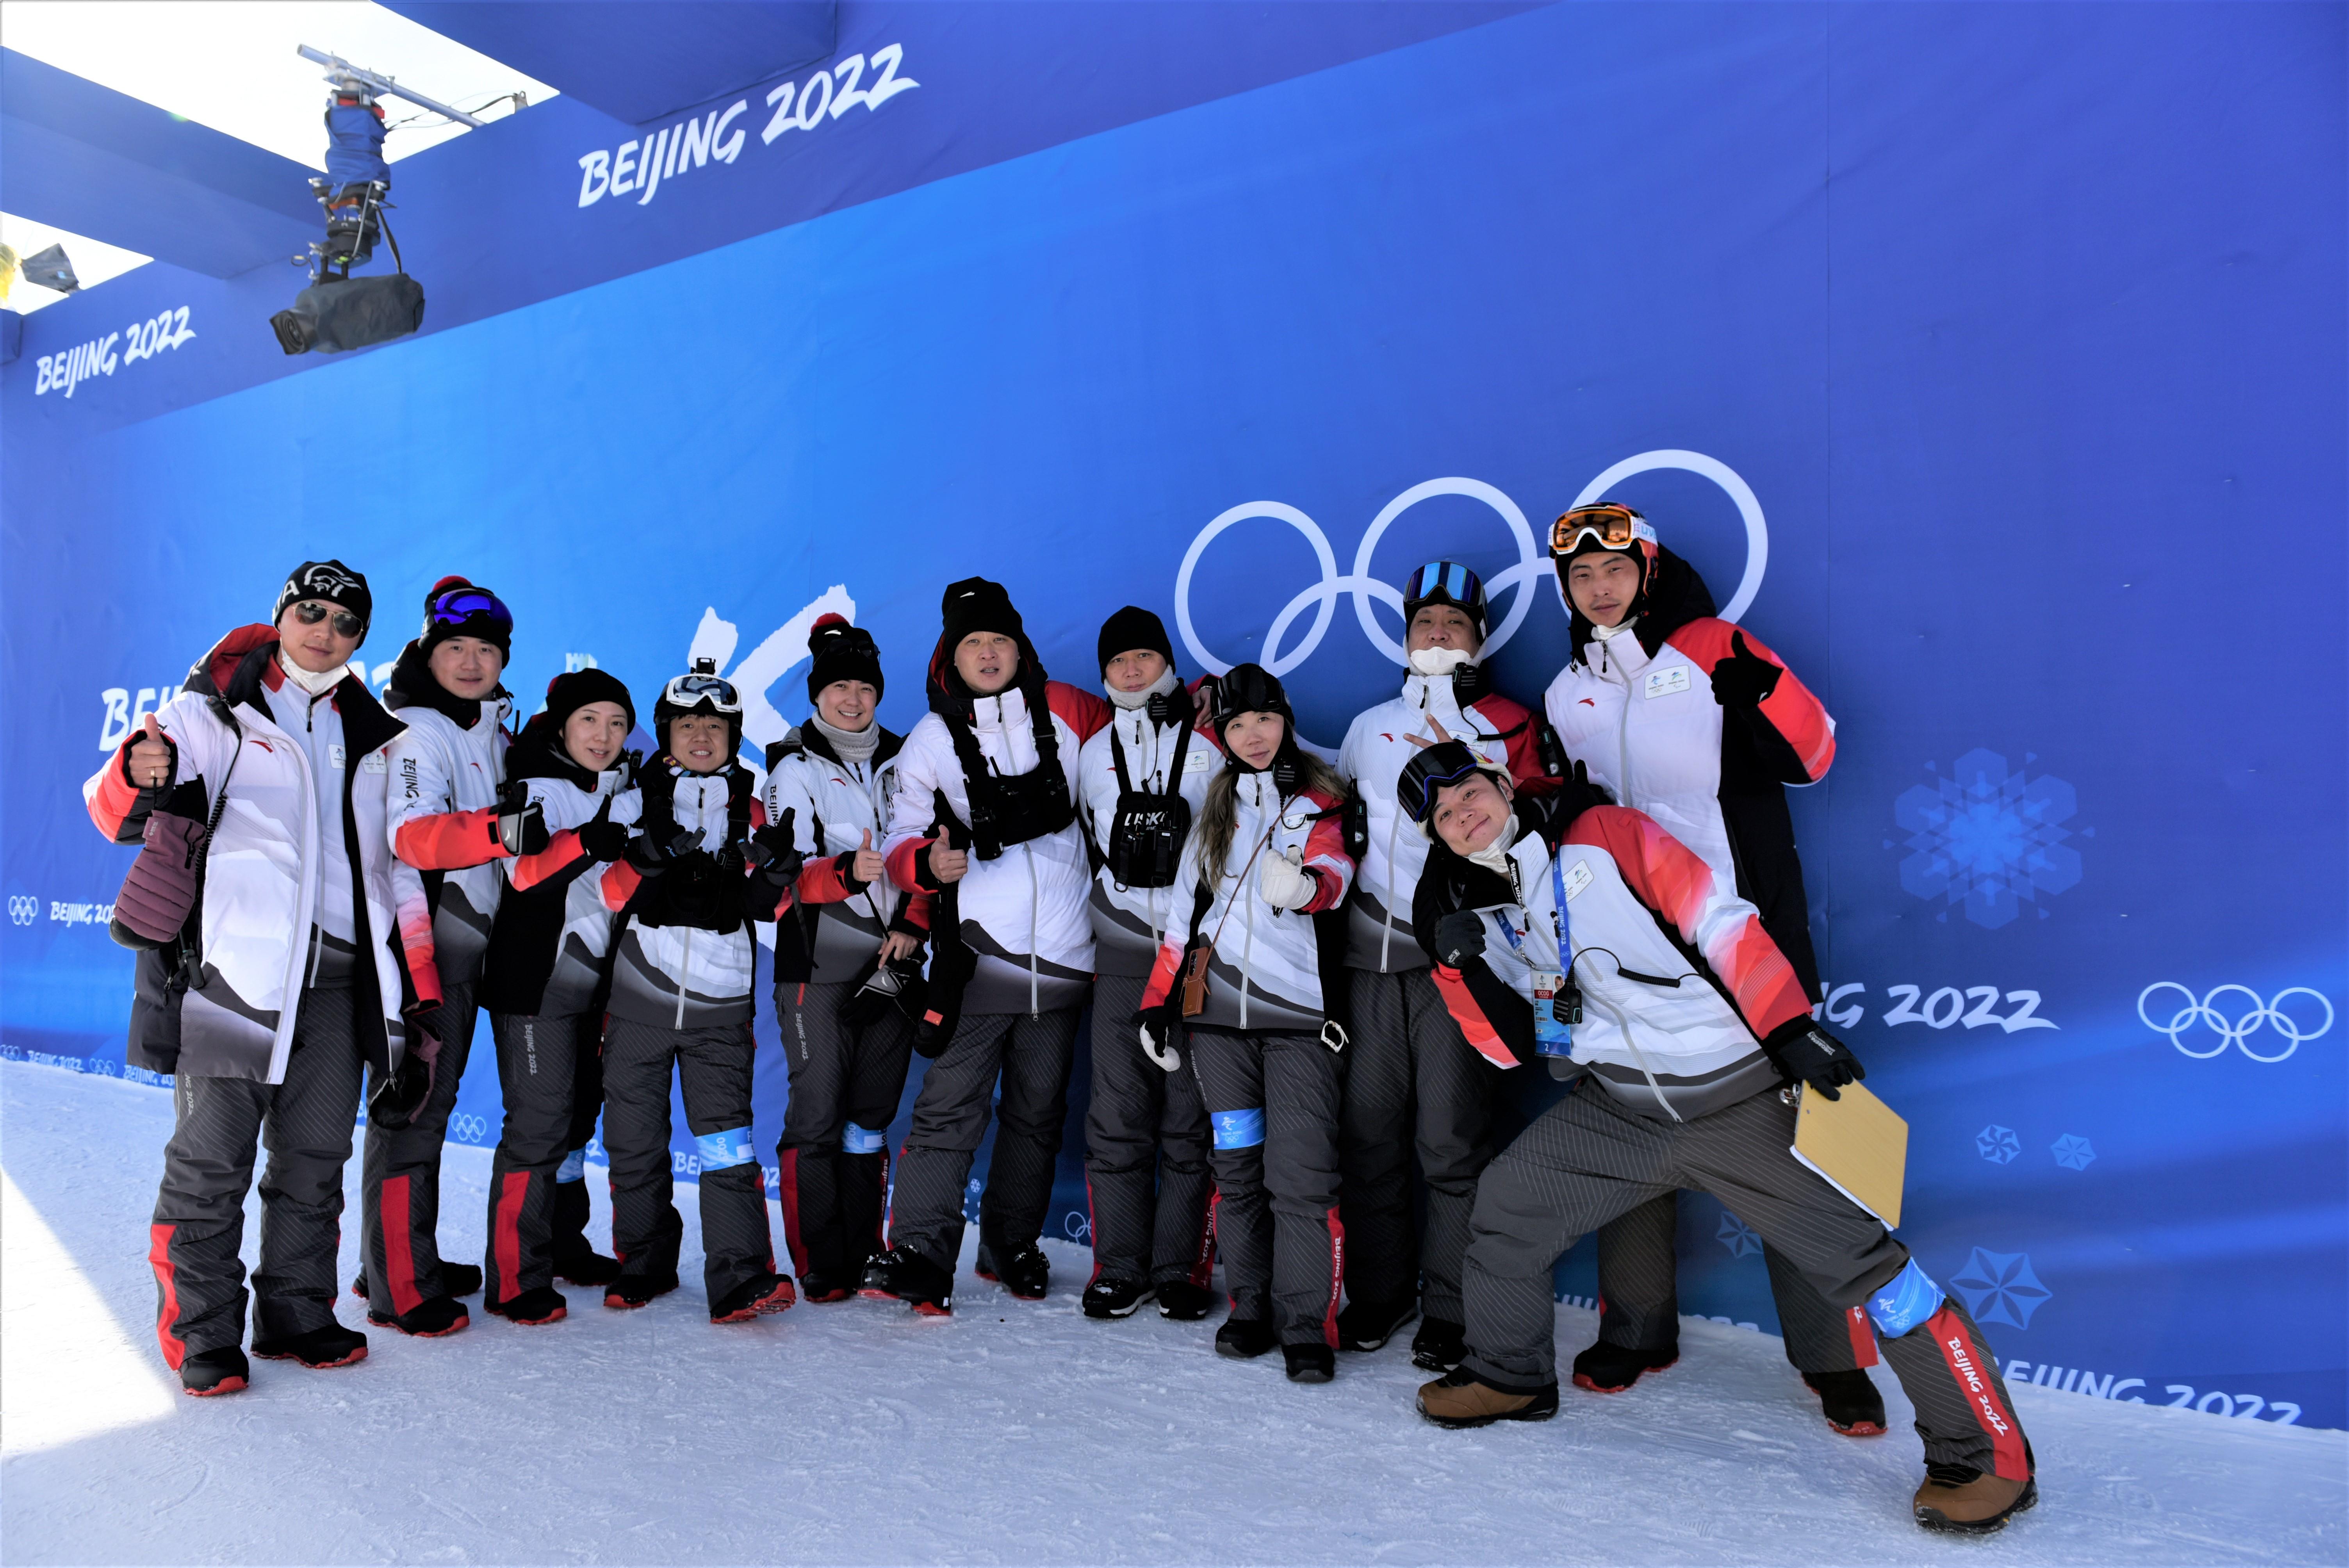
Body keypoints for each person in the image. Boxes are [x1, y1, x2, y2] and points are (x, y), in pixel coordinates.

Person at [1398, 741, 2036, 1535]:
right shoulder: (1484, 911)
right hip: (1621, 1109)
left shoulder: (1604, 832)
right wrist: (1456, 967)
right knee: (1506, 1203)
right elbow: (1507, 1049)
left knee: (1871, 1268)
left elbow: (1719, 920)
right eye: (1444, 817)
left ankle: (1981, 1456)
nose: (1464, 815)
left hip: (1732, 1097)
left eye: (1468, 793)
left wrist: (1790, 1027)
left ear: (1500, 783)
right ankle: (1508, 1373)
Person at [1542, 503, 1880, 1434]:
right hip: (1629, 951)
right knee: (1631, 1118)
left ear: (1646, 569)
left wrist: (1758, 692)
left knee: (1793, 1148)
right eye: (1580, 577)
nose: (1597, 587)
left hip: (1741, 938)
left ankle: (1832, 1352)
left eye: (1613, 568)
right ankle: (1638, 1326)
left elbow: (1813, 756)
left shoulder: (1708, 644)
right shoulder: (1562, 689)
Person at [86, 561, 441, 1394]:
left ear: (362, 639)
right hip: (237, 977)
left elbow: (397, 871)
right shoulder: (214, 712)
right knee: (213, 1159)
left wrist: (413, 981)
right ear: (281, 616)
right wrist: (138, 769)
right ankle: (203, 1332)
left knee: (316, 1155)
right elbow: (114, 807)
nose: (324, 629)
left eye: (346, 621)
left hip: (343, 976)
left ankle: (297, 1309)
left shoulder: (377, 733)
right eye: (309, 611)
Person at [1330, 560, 1556, 1371]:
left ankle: (1451, 1307)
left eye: (1453, 624)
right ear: (1405, 635)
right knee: (1367, 1135)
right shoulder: (1366, 725)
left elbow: (1540, 831)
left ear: (1479, 638)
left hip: (1462, 965)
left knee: (1451, 1143)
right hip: (1370, 961)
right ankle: (1380, 1291)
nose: (1437, 634)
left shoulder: (1511, 722)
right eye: (1425, 622)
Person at [863, 578, 1105, 1315]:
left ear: (1019, 646)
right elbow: (900, 835)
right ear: (952, 656)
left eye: (999, 638)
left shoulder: (1068, 710)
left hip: (1066, 955)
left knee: (1038, 1112)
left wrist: (1201, 703)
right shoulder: (933, 738)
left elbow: (1143, 733)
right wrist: (923, 866)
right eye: (974, 642)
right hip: (978, 957)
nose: (989, 652)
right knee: (951, 1109)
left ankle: (1012, 1244)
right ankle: (920, 1251)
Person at [1134, 663, 1354, 1382]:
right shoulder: (1215, 808)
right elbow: (1181, 919)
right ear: (1222, 736)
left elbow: (1340, 874)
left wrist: (1310, 886)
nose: (1254, 736)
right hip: (1220, 1027)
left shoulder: (1322, 797)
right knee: (1239, 1169)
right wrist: (1155, 1007)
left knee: (1301, 1178)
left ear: (1285, 720)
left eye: (1265, 720)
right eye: (1237, 725)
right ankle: (1251, 1307)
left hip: (1298, 1025)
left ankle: (1306, 1324)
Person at [597, 660, 800, 1323]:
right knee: (633, 1138)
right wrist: (644, 859)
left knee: (727, 1143)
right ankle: (643, 1263)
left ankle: (740, 1275)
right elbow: (601, 894)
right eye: (688, 723)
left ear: (733, 732)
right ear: (667, 732)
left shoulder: (758, 802)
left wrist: (775, 875)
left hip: (718, 1005)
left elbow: (765, 908)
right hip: (638, 998)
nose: (702, 735)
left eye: (715, 724)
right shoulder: (632, 797)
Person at [357, 577, 526, 1334]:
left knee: (426, 1104)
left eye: (485, 649)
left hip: (470, 938)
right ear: (429, 650)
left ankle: (393, 1259)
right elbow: (412, 836)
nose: (470, 660)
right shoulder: (417, 725)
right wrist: (497, 830)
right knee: (415, 1112)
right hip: (421, 946)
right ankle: (399, 1286)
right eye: (455, 646)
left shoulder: (485, 724)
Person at [763, 615, 930, 1303]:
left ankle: (866, 1248)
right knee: (818, 1113)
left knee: (870, 1116)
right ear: (817, 693)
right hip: (817, 966)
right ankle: (818, 1258)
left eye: (864, 686)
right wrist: (846, 875)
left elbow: (933, 854)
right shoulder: (792, 767)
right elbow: (780, 875)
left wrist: (914, 923)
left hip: (893, 964)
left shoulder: (910, 756)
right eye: (839, 687)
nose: (853, 699)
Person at [475, 667, 642, 1324]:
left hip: (597, 982)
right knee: (538, 1129)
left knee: (574, 1127)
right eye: (590, 720)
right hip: (535, 984)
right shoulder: (532, 785)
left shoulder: (627, 787)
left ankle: (563, 1245)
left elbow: (611, 893)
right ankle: (515, 1278)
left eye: (617, 723)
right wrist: (584, 843)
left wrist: (641, 860)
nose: (604, 736)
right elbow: (523, 875)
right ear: (564, 725)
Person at [1073, 607, 1217, 1322]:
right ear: (1105, 674)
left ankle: (1181, 1267)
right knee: (1119, 1114)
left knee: (1189, 1119)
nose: (1132, 670)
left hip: (1196, 960)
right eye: (1118, 661)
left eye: (1145, 657)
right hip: (1124, 953)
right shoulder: (1091, 752)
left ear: (1167, 662)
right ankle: (1120, 1265)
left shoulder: (1211, 742)